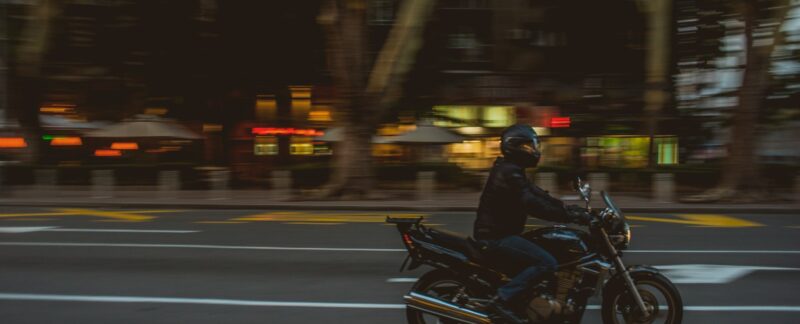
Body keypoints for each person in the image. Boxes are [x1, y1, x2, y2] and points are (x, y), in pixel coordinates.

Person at [474, 123, 592, 323]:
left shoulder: (512, 170)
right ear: (516, 147)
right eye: (529, 146)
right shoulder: (509, 173)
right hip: (496, 237)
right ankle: (501, 299)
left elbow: (537, 194)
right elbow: (533, 204)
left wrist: (568, 209)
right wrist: (568, 216)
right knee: (546, 262)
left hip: (502, 233)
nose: (534, 151)